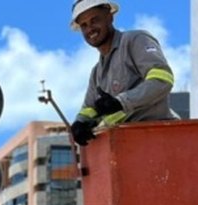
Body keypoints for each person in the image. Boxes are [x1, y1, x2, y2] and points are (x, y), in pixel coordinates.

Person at [69, 0, 177, 146]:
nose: (90, 29)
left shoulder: (135, 40)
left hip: (158, 137)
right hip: (125, 144)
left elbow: (162, 80)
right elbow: (88, 109)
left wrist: (121, 102)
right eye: (84, 25)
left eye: (94, 20)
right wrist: (79, 124)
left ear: (110, 16)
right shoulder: (97, 73)